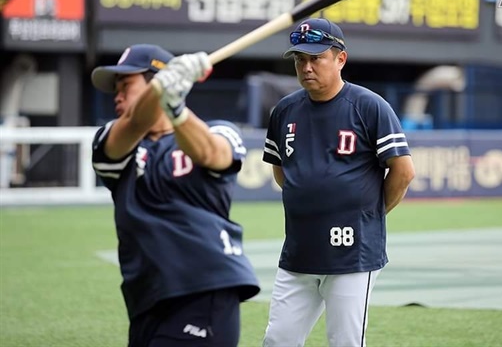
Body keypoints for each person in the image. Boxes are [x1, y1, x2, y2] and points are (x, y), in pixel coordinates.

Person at [90, 44, 260, 347]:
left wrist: (175, 108)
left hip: (205, 288)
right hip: (146, 299)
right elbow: (136, 122)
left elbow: (212, 153)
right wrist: (160, 88)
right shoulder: (112, 142)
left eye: (126, 85)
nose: (116, 96)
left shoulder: (219, 131)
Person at [262, 18, 415, 347]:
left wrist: (370, 213)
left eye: (316, 58)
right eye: (300, 60)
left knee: (344, 342)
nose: (306, 67)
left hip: (352, 256)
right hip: (299, 252)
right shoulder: (285, 111)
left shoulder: (369, 106)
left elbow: (402, 171)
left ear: (340, 59)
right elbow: (281, 170)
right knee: (277, 340)